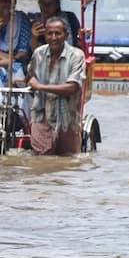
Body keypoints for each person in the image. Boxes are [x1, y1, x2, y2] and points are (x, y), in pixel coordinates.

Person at [27, 17, 86, 156]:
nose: (53, 37)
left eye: (58, 33)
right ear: (45, 35)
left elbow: (73, 87)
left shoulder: (76, 56)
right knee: (41, 162)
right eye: (50, 33)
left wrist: (41, 87)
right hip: (41, 115)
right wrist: (31, 80)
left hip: (68, 118)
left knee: (68, 160)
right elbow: (30, 74)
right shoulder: (38, 53)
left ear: (65, 35)